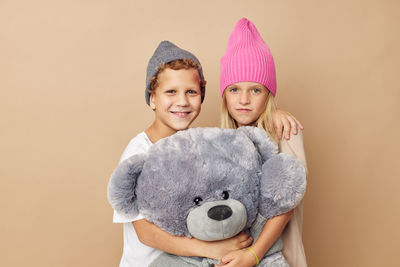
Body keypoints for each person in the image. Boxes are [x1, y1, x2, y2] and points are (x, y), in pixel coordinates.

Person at [112, 40, 302, 267]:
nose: (181, 101)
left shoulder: (198, 145)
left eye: (191, 92)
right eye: (171, 92)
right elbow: (146, 233)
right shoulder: (139, 151)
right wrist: (210, 250)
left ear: (202, 96)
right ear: (152, 98)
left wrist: (272, 113)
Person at [216, 18, 308, 267]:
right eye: (234, 89)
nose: (244, 99)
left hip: (278, 256)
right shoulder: (222, 140)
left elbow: (286, 205)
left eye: (255, 90)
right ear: (224, 95)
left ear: (269, 94)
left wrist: (253, 255)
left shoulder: (284, 130)